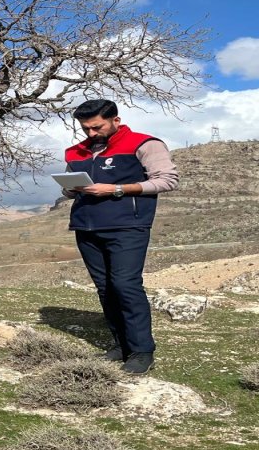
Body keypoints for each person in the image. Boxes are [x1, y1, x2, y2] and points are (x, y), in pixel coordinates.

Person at [62, 99, 179, 374]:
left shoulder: (145, 144)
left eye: (96, 127)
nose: (91, 134)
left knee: (126, 285)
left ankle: (141, 350)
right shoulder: (75, 152)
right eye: (85, 128)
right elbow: (69, 191)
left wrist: (116, 189)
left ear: (116, 120)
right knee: (105, 288)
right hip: (86, 227)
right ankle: (120, 345)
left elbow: (167, 180)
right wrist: (69, 189)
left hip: (128, 226)